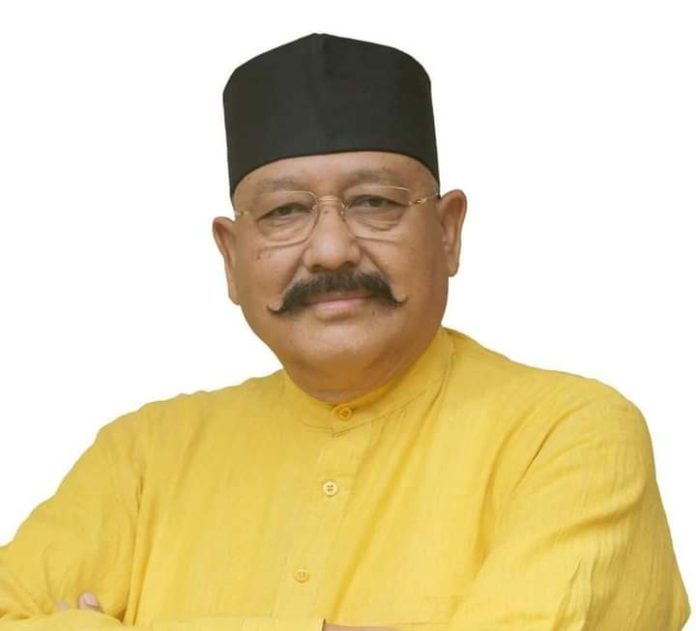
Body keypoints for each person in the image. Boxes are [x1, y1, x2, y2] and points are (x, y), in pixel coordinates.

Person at [0, 32, 690, 631]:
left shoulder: (568, 433)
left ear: (447, 232)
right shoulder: (142, 457)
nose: (331, 249)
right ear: (232, 257)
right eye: (284, 212)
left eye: (373, 202)